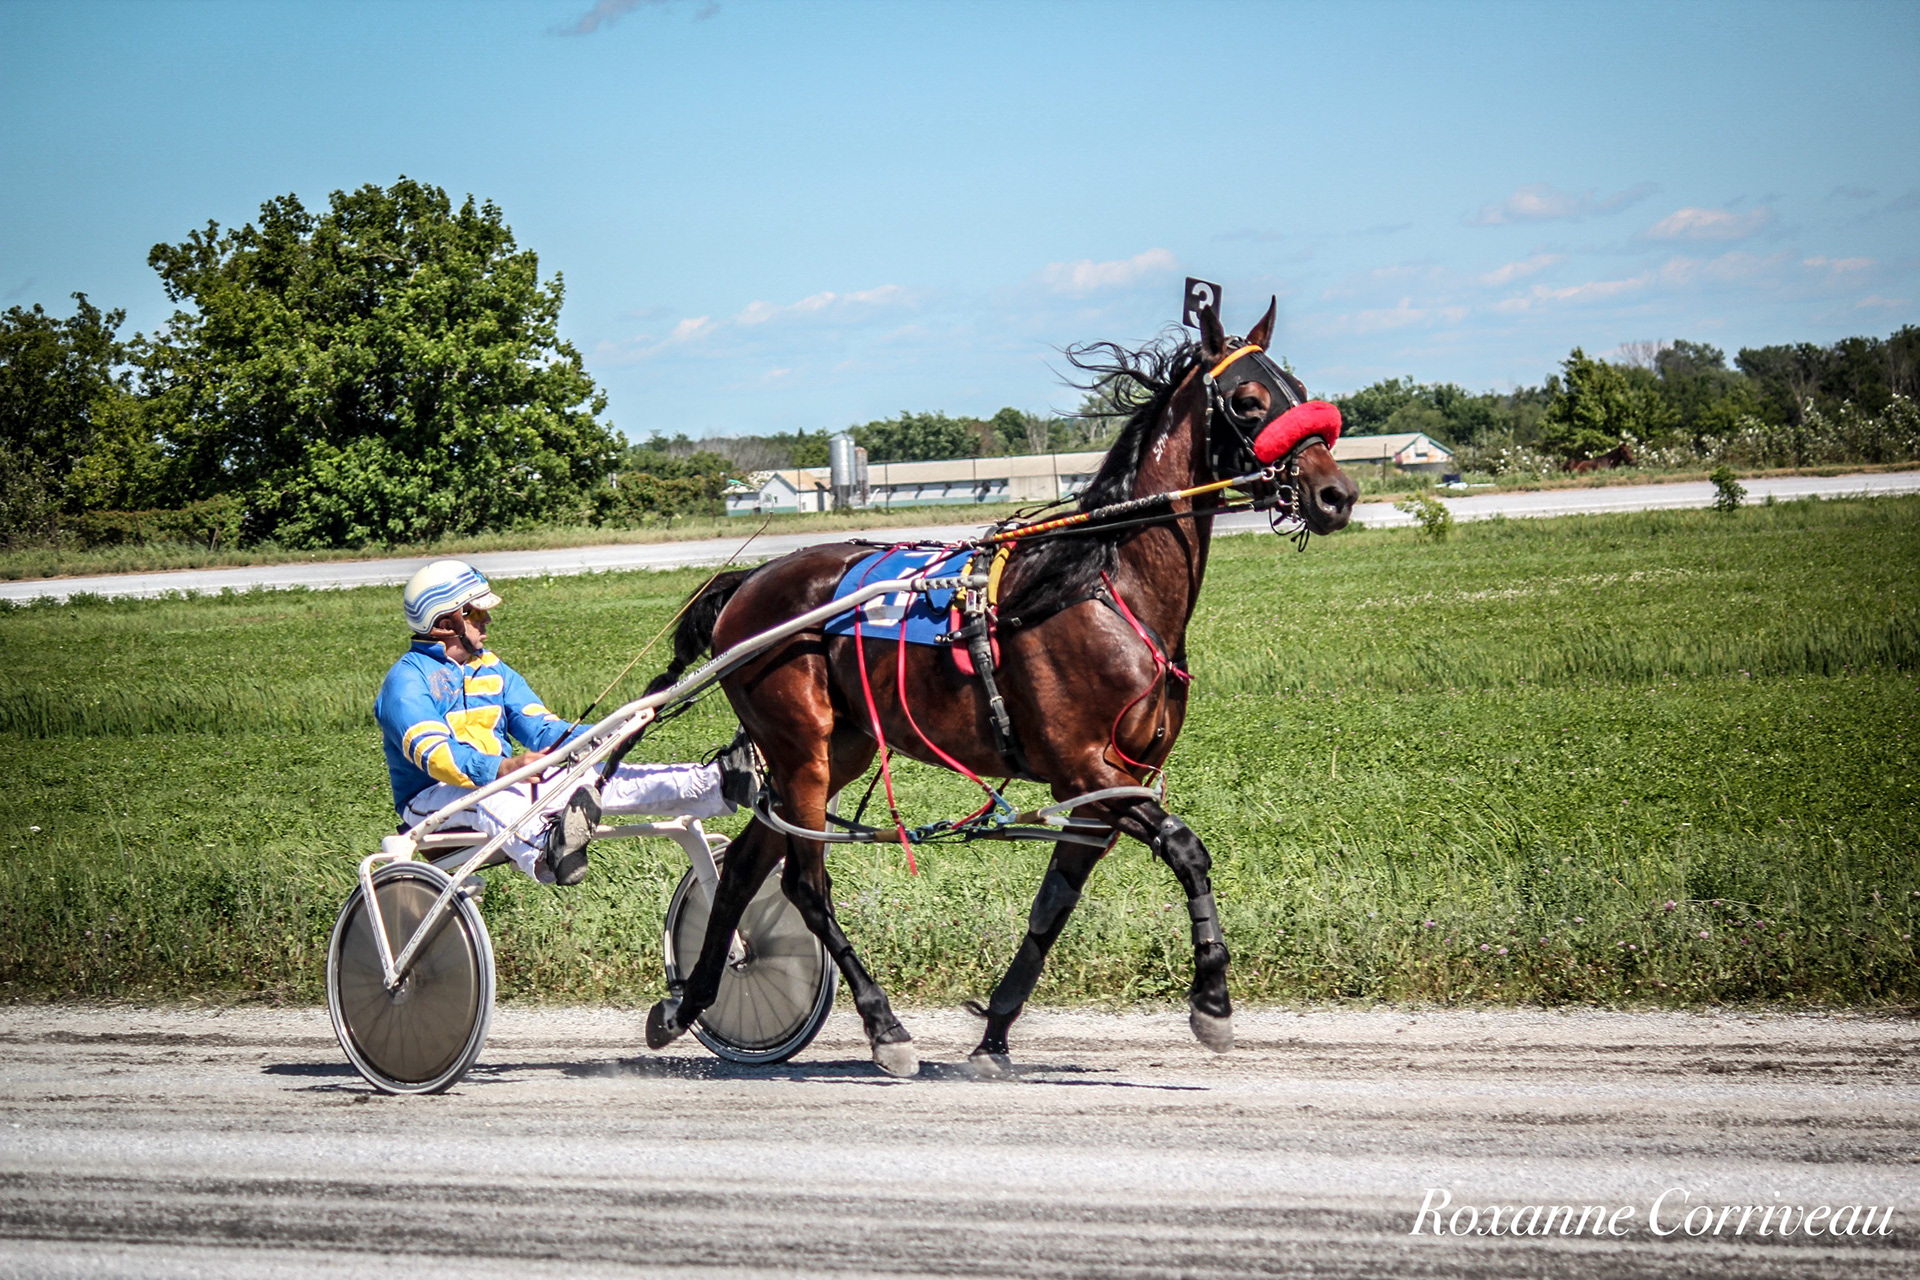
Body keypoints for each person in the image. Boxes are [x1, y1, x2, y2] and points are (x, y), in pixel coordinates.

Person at [376, 560, 747, 886]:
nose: (487, 619)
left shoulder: (492, 670)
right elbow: (437, 756)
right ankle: (549, 849)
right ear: (444, 622)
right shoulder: (405, 682)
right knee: (496, 797)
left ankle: (719, 781)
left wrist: (607, 733)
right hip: (429, 802)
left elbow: (542, 727)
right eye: (474, 613)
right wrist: (504, 768)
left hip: (502, 787)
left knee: (597, 777)